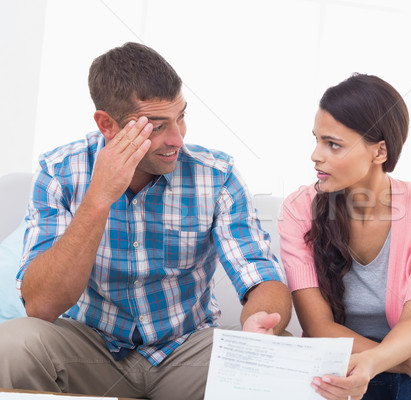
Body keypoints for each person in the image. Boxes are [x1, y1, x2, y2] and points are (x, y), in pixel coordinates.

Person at [0, 42, 291, 399]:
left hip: (186, 350)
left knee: (280, 357)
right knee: (12, 343)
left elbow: (261, 275)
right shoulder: (60, 171)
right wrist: (99, 198)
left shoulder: (217, 176)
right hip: (92, 350)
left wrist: (259, 322)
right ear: (107, 124)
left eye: (180, 116)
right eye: (156, 126)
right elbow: (41, 306)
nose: (177, 139)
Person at [278, 73, 411, 400]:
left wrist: (380, 362)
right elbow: (319, 327)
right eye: (316, 139)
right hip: (342, 362)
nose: (315, 155)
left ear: (379, 152)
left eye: (332, 144)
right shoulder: (298, 210)